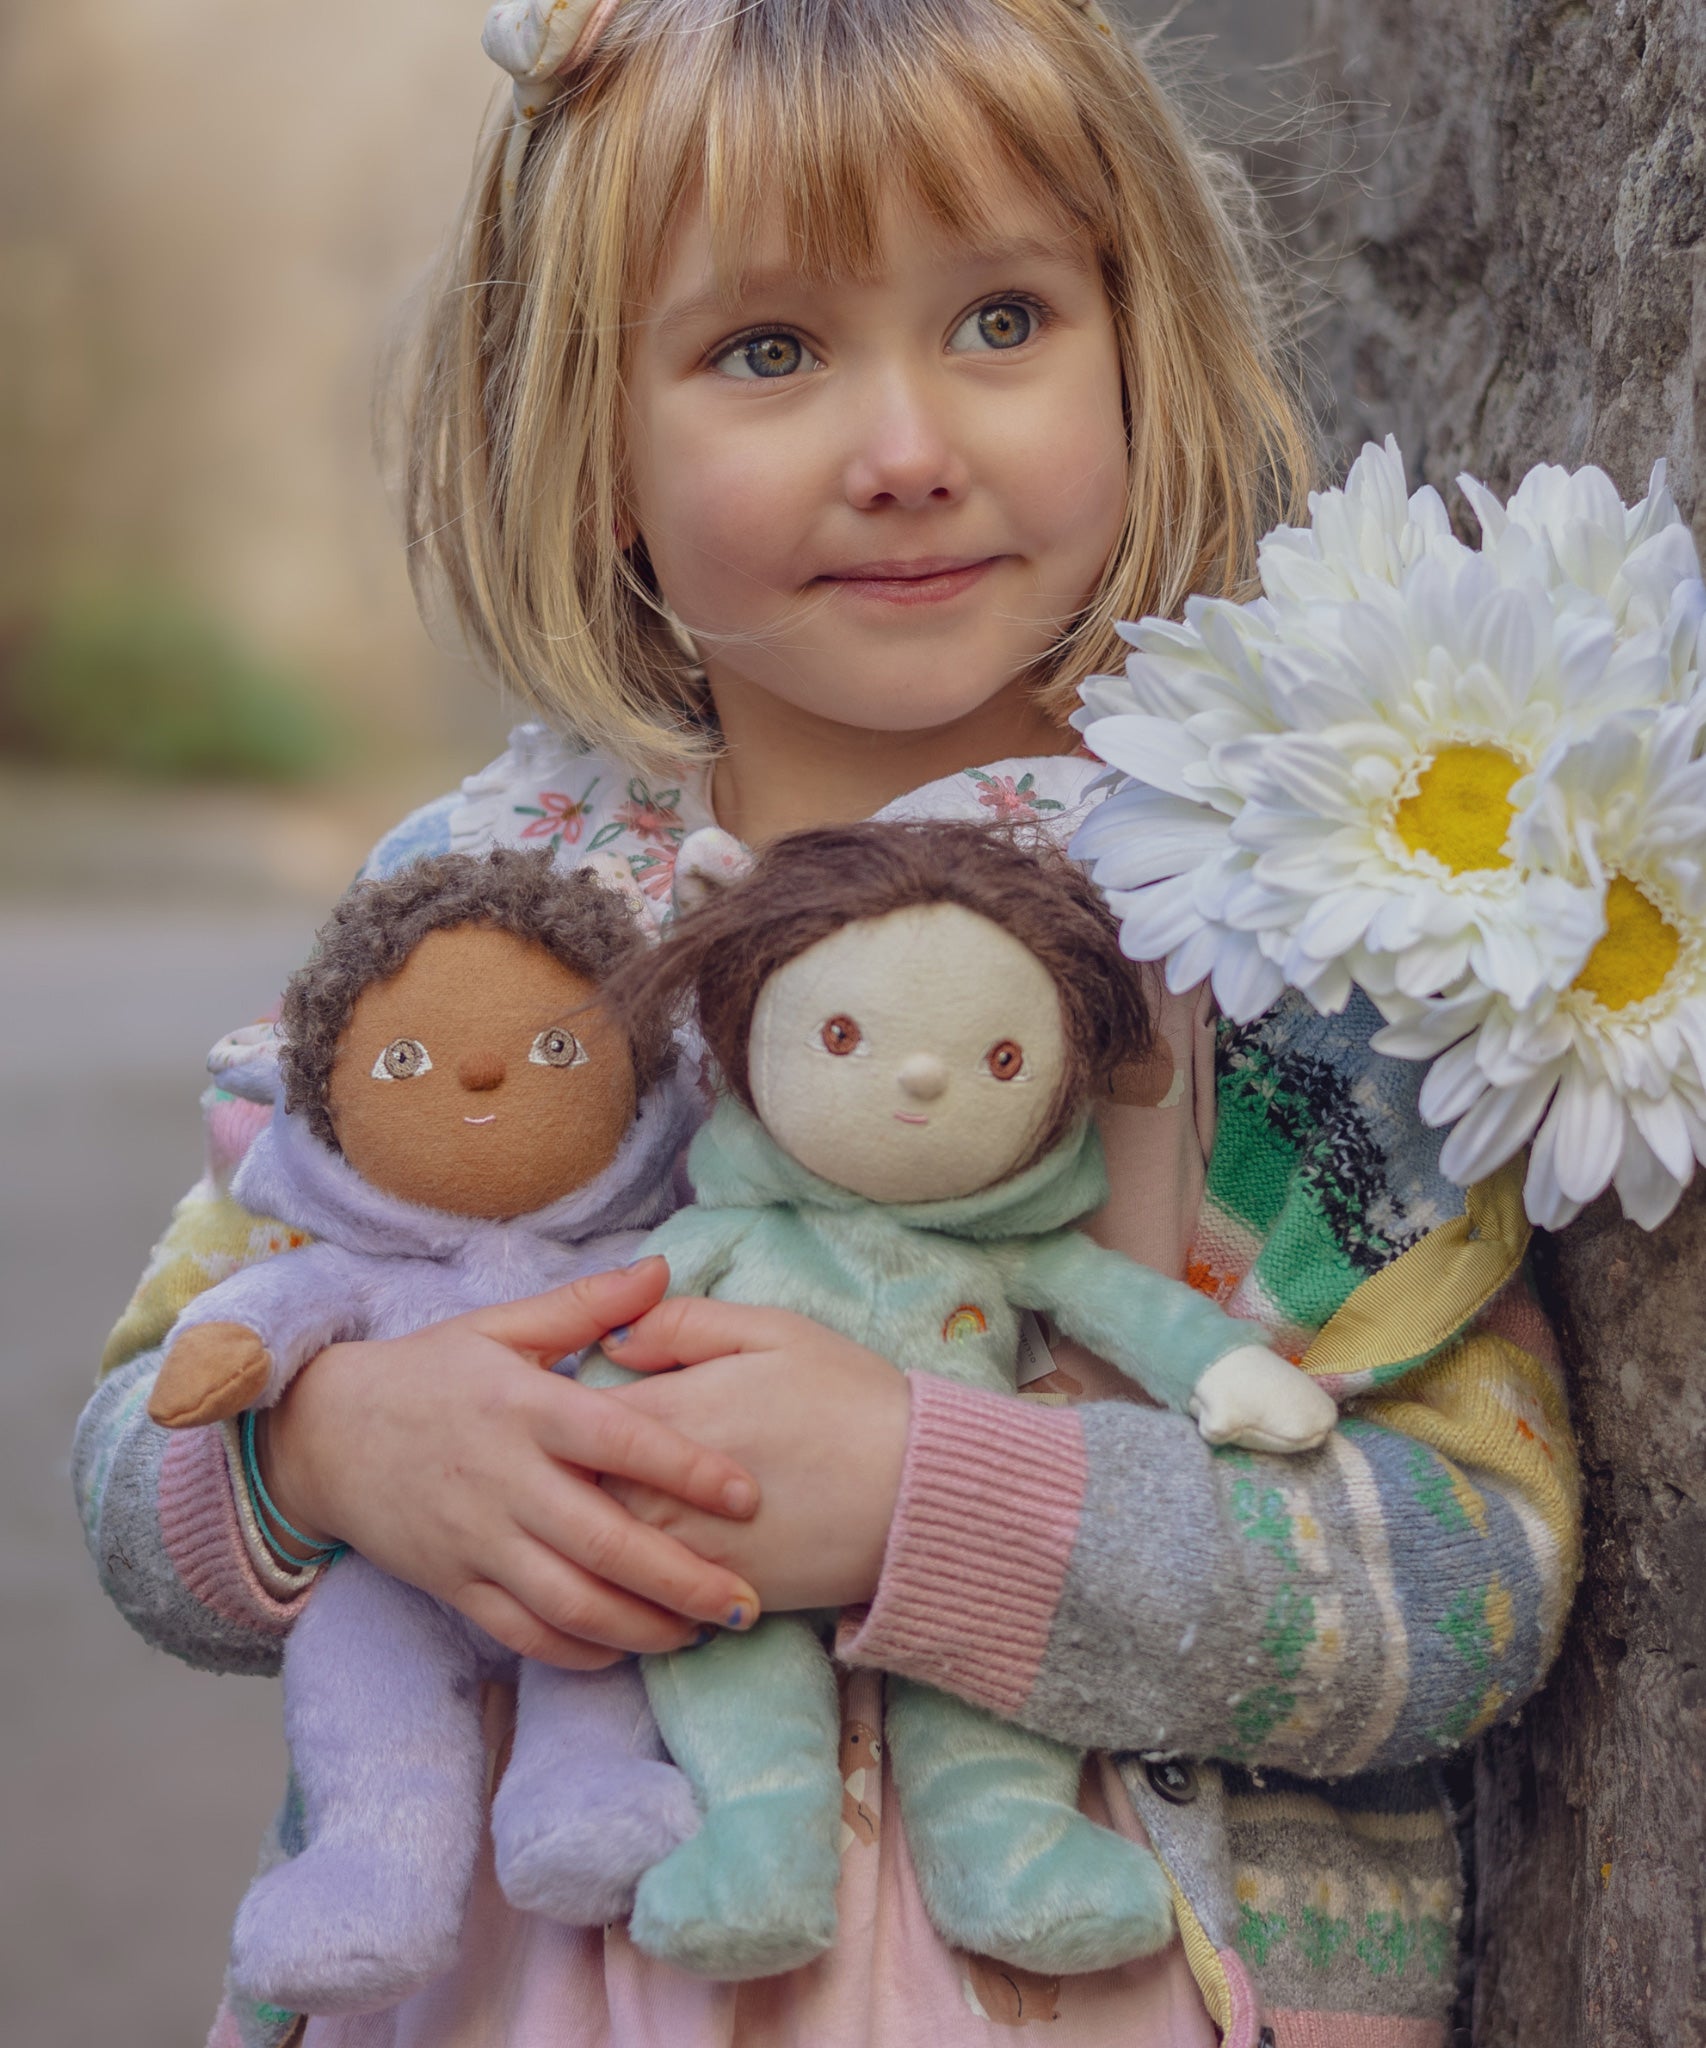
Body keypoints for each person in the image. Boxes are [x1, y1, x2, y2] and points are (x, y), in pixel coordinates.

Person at [74, 0, 1581, 2043]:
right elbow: (147, 1441)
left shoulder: (1262, 919)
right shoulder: (483, 904)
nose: (906, 451)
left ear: (1142, 339)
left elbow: (1468, 1574)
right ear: (588, 436)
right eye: (766, 351)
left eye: (1001, 319)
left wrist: (927, 1498)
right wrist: (338, 1449)